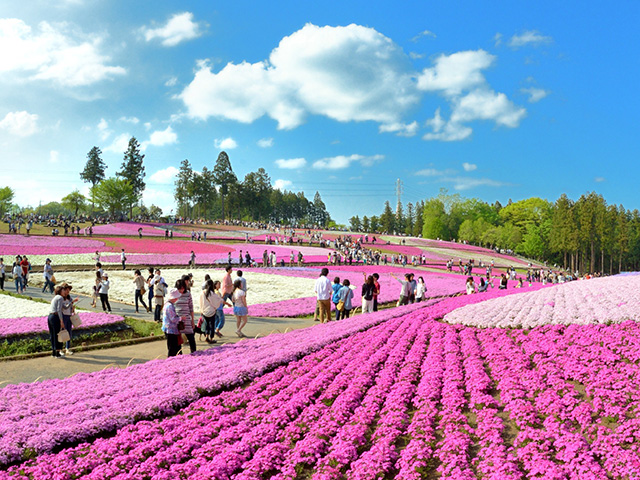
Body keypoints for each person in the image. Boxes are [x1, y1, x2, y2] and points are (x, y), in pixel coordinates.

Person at [174, 277, 196, 353]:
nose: (181, 290)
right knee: (178, 339)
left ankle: (194, 353)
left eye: (183, 288)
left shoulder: (188, 294)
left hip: (186, 319)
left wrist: (192, 320)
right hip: (177, 320)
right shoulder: (175, 294)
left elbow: (191, 308)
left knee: (191, 337)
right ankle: (179, 355)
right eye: (180, 289)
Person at [162, 288, 185, 357]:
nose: (177, 299)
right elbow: (173, 319)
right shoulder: (169, 306)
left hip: (169, 329)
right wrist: (181, 318)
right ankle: (171, 362)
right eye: (176, 297)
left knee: (175, 348)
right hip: (171, 330)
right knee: (173, 349)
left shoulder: (167, 304)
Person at [200, 279, 223, 344]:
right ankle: (211, 338)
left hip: (204, 311)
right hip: (211, 311)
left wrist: (201, 309)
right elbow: (218, 300)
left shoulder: (202, 292)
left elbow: (201, 302)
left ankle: (206, 337)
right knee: (212, 325)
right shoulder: (212, 293)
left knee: (207, 324)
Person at [47, 284, 67, 358]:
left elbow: (64, 307)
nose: (65, 291)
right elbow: (59, 310)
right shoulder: (60, 297)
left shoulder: (56, 297)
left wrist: (71, 303)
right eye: (63, 290)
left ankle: (53, 352)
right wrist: (61, 321)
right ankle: (57, 353)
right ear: (60, 291)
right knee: (58, 334)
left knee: (52, 334)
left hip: (50, 316)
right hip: (55, 317)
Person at [60, 283, 78, 355]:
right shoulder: (61, 298)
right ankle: (60, 349)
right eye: (66, 290)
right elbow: (64, 307)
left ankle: (67, 348)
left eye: (69, 290)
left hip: (69, 316)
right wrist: (72, 302)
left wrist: (73, 309)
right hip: (63, 316)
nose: (68, 292)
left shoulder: (69, 298)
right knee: (62, 332)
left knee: (69, 332)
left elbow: (71, 308)